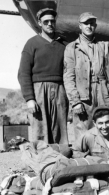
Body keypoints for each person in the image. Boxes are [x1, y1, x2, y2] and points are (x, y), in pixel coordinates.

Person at [18, 8, 69, 144]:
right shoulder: (32, 43)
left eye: (52, 21)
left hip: (60, 90)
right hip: (39, 90)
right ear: (40, 23)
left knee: (60, 127)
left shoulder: (64, 45)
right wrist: (29, 98)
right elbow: (23, 73)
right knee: (40, 129)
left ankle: (60, 159)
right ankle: (41, 161)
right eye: (46, 21)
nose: (49, 24)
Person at [64, 12, 109, 140]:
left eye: (92, 23)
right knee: (82, 130)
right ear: (80, 26)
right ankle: (84, 158)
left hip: (103, 92)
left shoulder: (104, 46)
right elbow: (68, 77)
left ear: (96, 26)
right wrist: (75, 101)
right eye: (86, 23)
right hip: (83, 95)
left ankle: (104, 158)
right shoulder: (72, 48)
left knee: (105, 127)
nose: (89, 26)